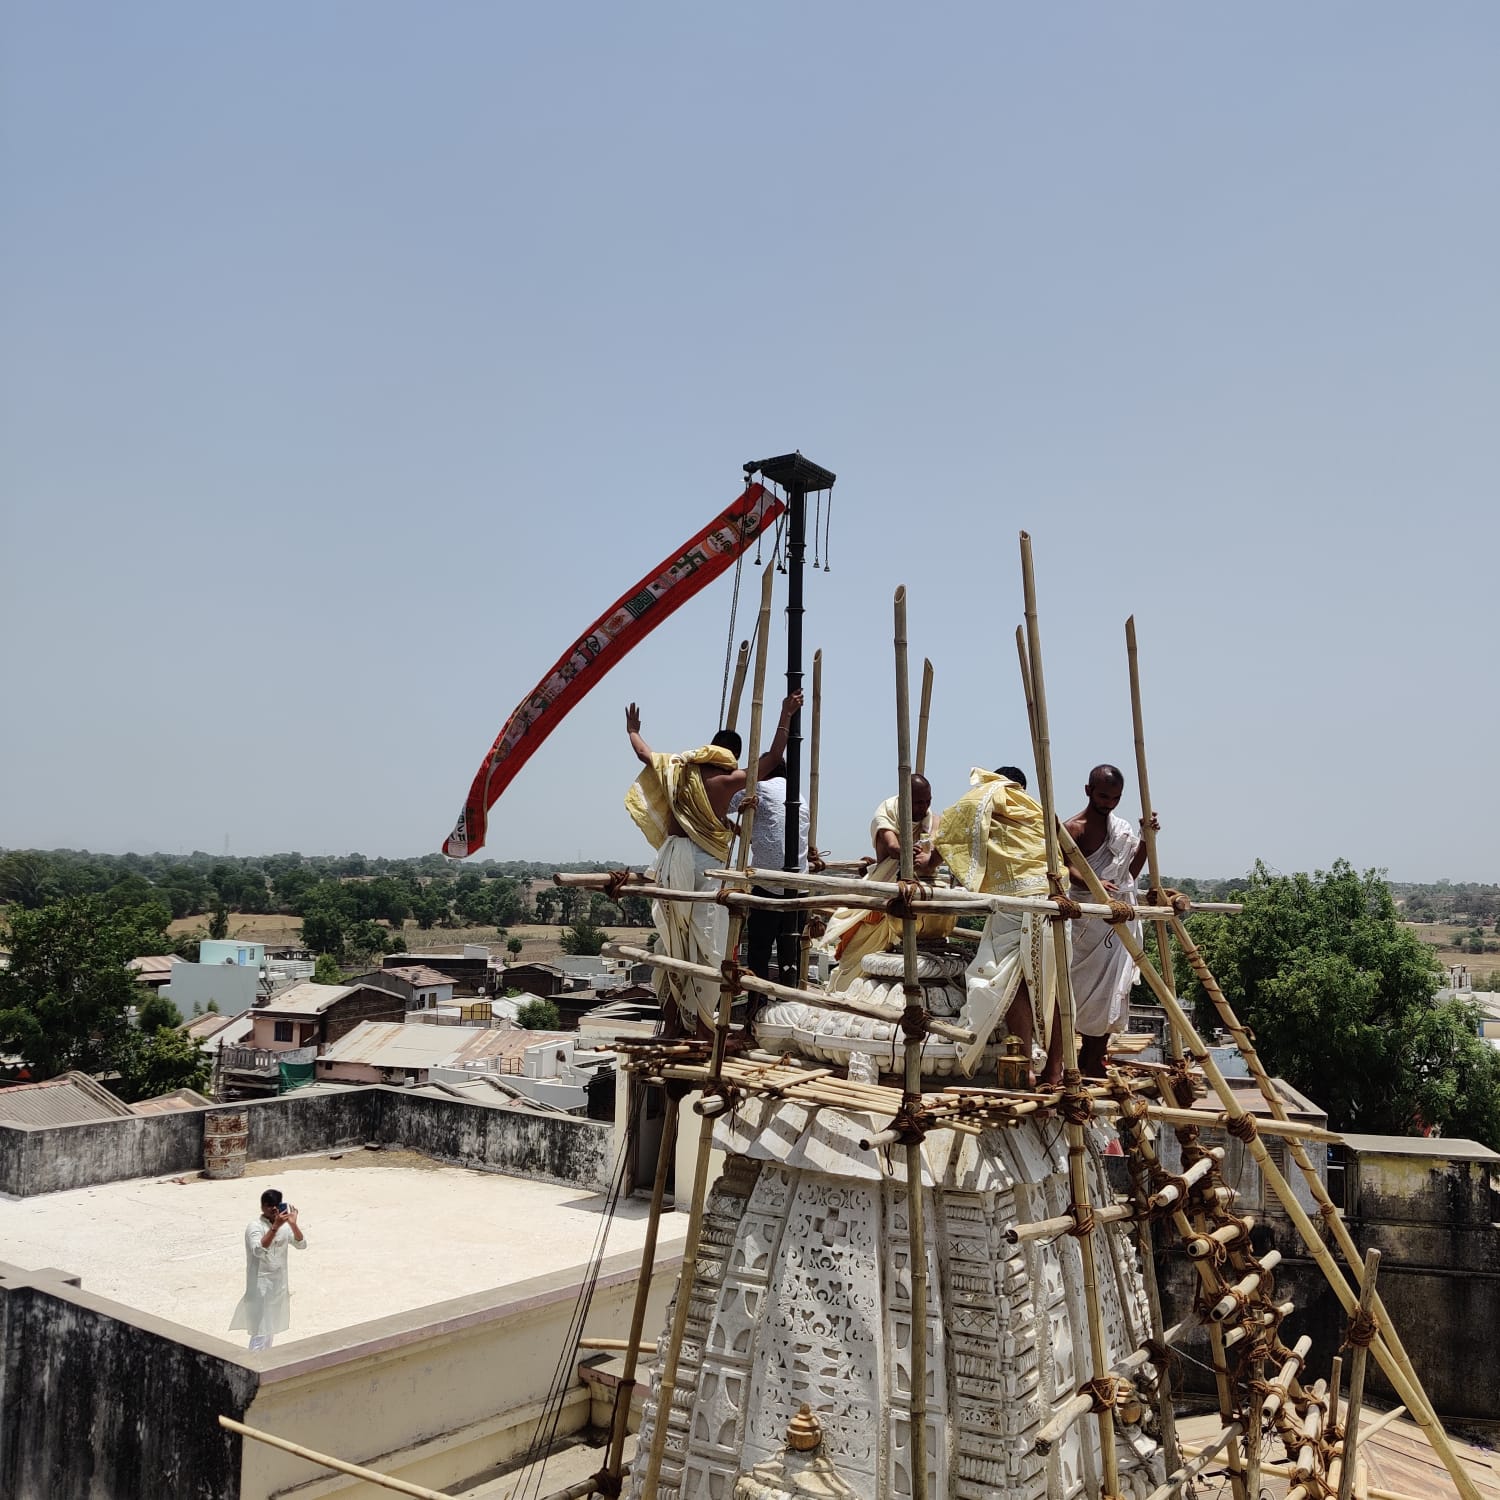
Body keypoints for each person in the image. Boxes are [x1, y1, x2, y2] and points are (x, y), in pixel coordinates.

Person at [625, 693, 801, 1035]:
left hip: (673, 858)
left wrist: (632, 729)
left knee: (675, 942)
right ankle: (705, 1025)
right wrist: (786, 714)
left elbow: (643, 753)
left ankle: (675, 1021)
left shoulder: (678, 770)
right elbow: (772, 759)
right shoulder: (729, 779)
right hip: (706, 867)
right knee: (707, 946)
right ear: (730, 757)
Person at [934, 765, 1066, 1086]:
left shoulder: (991, 793)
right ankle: (1056, 1069)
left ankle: (1025, 1068)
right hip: (1054, 896)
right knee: (1054, 981)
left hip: (1017, 899)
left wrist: (930, 862)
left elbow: (952, 827)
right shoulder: (1037, 811)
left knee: (1008, 980)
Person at [818, 774, 956, 992]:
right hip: (886, 890)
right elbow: (893, 847)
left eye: (928, 801)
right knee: (858, 950)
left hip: (922, 896)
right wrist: (908, 852)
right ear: (905, 800)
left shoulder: (933, 821)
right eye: (919, 802)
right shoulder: (888, 811)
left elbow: (942, 851)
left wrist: (929, 861)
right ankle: (846, 990)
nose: (925, 807)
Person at [1063, 764, 1158, 1078]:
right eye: (1103, 796)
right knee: (1076, 993)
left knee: (1109, 995)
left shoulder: (1122, 830)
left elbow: (1128, 875)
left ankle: (1095, 1058)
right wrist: (1092, 882)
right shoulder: (1071, 829)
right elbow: (1063, 871)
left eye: (1115, 798)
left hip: (1115, 924)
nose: (1109, 803)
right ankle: (1068, 1061)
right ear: (1088, 790)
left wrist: (1147, 839)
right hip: (1085, 924)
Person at [728, 758, 809, 981]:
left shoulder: (760, 788)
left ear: (763, 772)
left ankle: (757, 1001)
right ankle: (790, 1001)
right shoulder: (800, 797)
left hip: (769, 883)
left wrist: (731, 825)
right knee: (790, 955)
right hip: (800, 886)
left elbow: (720, 804)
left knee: (759, 951)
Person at [229, 1187, 306, 1350]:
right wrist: (274, 1228)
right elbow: (257, 1250)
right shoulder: (254, 1227)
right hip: (260, 1287)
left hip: (278, 1286)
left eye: (276, 1204)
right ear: (263, 1207)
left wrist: (293, 1225)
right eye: (269, 1205)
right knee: (260, 1331)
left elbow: (301, 1244)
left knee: (270, 1329)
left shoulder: (284, 1227)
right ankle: (254, 1363)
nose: (274, 1208)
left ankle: (265, 1361)